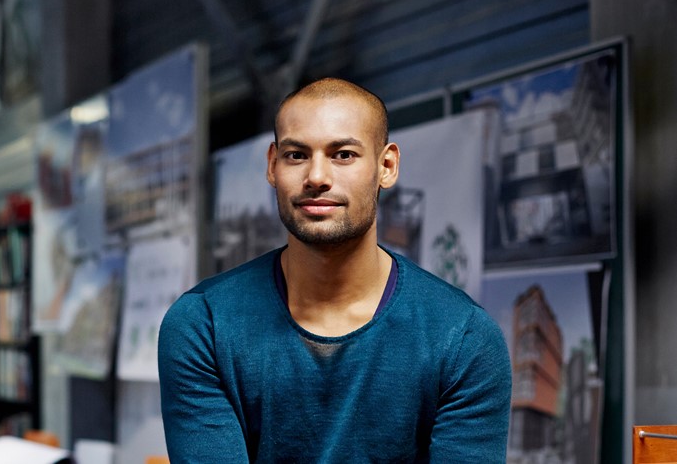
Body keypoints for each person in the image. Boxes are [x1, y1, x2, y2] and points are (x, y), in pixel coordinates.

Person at [158, 78, 512, 462]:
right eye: (296, 155)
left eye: (343, 154)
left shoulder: (463, 338)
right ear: (273, 165)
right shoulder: (203, 324)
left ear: (386, 166)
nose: (316, 177)